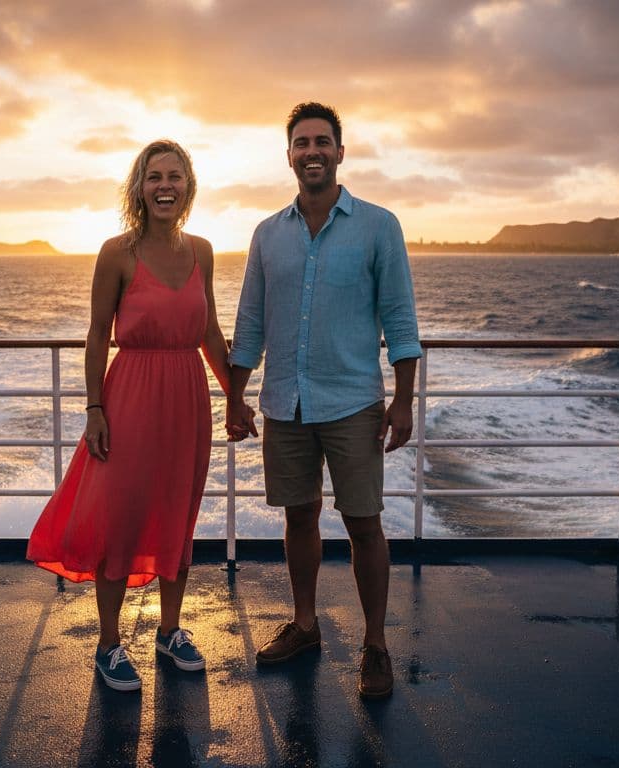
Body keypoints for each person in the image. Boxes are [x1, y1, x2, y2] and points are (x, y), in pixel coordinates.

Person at [225, 102, 421, 700]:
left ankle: (375, 645)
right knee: (299, 516)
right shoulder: (266, 234)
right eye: (301, 143)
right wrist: (236, 399)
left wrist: (404, 401)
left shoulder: (378, 226)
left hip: (354, 401)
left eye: (322, 142)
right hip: (286, 401)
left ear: (340, 152)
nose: (312, 151)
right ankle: (306, 626)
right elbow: (250, 324)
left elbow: (401, 321)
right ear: (289, 155)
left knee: (365, 523)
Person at [28, 139, 233, 692]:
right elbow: (97, 335)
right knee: (120, 516)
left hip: (188, 396)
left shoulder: (204, 252)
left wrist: (234, 396)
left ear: (188, 186)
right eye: (154, 177)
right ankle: (109, 644)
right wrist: (94, 407)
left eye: (175, 176)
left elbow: (210, 333)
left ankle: (170, 630)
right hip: (130, 395)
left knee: (178, 512)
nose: (165, 186)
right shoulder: (116, 252)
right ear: (139, 188)